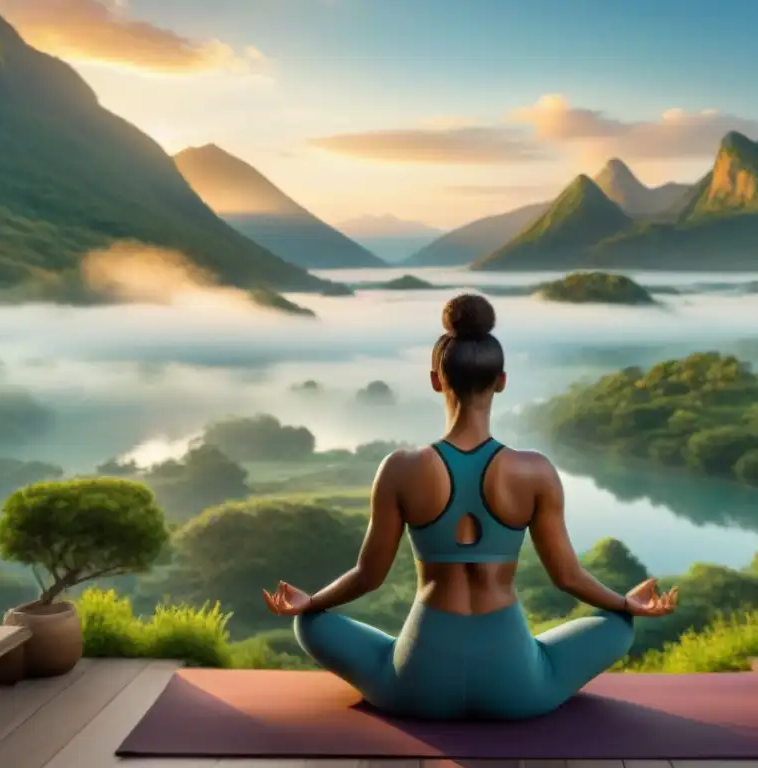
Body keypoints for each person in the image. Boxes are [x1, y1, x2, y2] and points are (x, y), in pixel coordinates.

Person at [263, 293, 678, 720]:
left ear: (435, 380)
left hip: (417, 688)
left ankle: (375, 653)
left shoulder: (400, 468)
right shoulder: (534, 471)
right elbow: (568, 577)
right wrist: (628, 605)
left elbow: (368, 576)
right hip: (517, 690)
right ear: (501, 381)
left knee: (310, 624)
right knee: (618, 627)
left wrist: (310, 602)